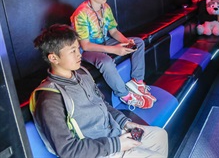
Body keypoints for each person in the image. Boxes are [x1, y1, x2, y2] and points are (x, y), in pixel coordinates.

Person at [31, 24, 168, 157]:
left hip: (114, 134)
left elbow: (102, 104)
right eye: (72, 51)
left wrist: (125, 123)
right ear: (53, 58)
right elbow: (68, 150)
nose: (79, 54)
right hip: (98, 151)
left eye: (78, 48)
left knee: (160, 135)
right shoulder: (50, 99)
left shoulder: (82, 74)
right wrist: (117, 144)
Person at [71, 0, 155, 109]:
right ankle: (124, 95)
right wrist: (114, 49)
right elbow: (85, 45)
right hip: (87, 49)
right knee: (105, 61)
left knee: (138, 42)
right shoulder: (81, 14)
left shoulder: (106, 7)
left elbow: (114, 31)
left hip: (105, 41)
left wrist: (127, 42)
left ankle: (137, 81)